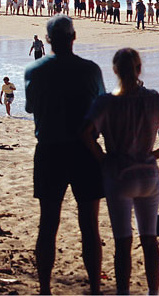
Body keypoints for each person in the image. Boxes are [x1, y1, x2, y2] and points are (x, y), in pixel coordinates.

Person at [81, 48, 159, 296]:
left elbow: (86, 133)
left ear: (114, 70)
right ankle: (153, 293)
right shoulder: (152, 98)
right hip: (148, 175)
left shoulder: (106, 102)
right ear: (139, 69)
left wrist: (102, 158)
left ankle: (123, 292)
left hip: (119, 175)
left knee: (123, 243)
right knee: (149, 240)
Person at [24, 15, 107, 295]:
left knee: (48, 223)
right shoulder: (91, 70)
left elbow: (30, 107)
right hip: (85, 151)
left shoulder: (34, 70)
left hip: (49, 150)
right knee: (90, 225)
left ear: (47, 40)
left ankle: (45, 289)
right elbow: (101, 107)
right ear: (74, 37)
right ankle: (95, 288)